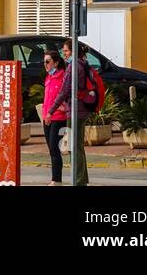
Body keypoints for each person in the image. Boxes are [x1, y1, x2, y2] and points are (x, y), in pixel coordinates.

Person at [51, 39, 91, 186]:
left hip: (75, 111)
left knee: (73, 147)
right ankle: (82, 178)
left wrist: (51, 110)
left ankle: (79, 181)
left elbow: (64, 91)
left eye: (66, 51)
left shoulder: (73, 67)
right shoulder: (83, 65)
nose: (64, 54)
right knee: (78, 146)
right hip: (82, 109)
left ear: (73, 52)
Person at [42, 49, 68, 185]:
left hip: (58, 118)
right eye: (44, 62)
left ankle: (56, 179)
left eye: (48, 62)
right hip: (47, 117)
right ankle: (55, 178)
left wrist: (63, 108)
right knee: (51, 149)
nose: (45, 65)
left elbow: (65, 96)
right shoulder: (48, 78)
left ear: (56, 63)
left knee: (54, 147)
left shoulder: (63, 77)